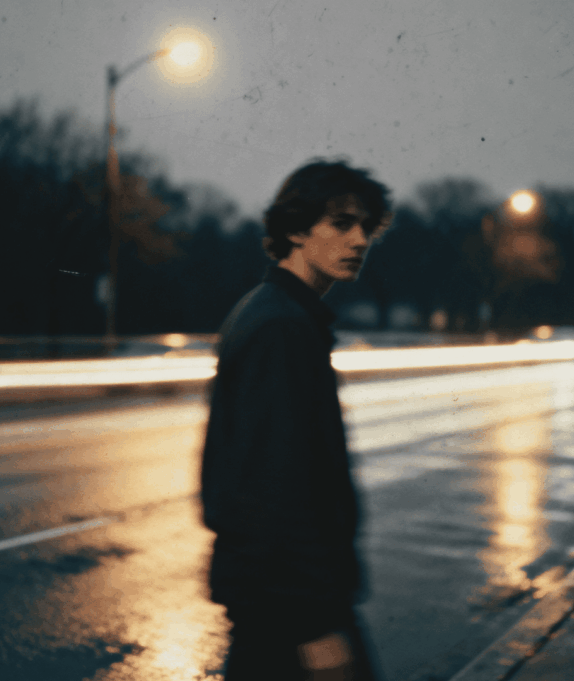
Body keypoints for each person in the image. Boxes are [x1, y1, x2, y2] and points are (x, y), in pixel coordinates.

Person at [201, 159, 392, 680]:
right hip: (290, 610)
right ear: (294, 229)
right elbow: (275, 488)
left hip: (274, 600)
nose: (359, 240)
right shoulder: (282, 329)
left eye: (366, 227)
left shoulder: (274, 313)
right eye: (341, 223)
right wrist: (317, 624)